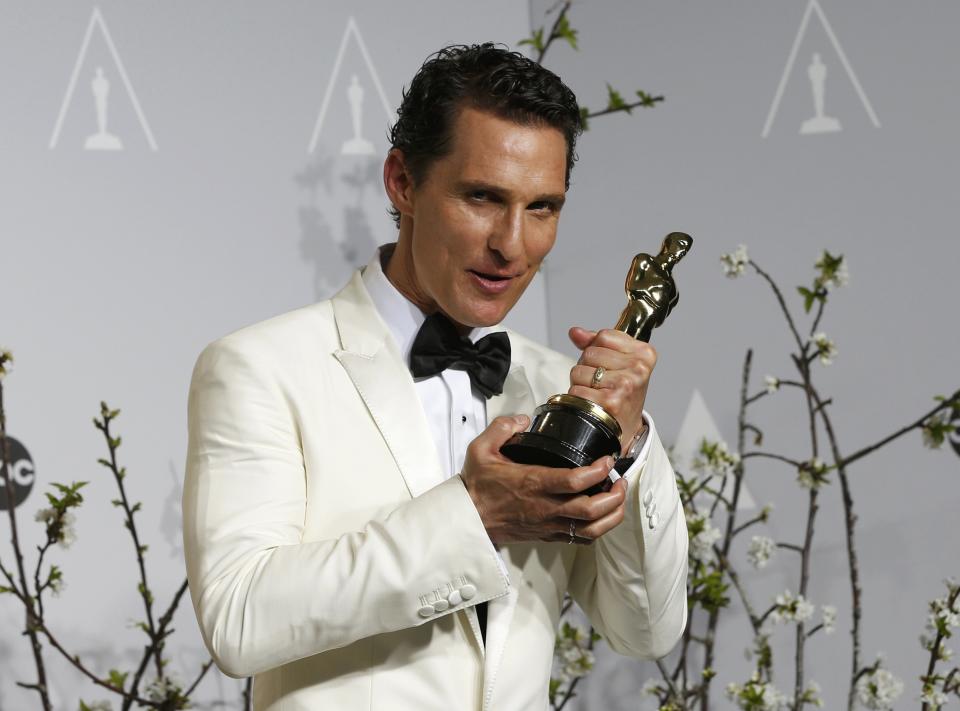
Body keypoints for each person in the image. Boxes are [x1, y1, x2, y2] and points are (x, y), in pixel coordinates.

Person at [182, 43, 688, 711]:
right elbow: (238, 618)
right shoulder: (261, 367)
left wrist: (627, 441)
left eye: (542, 208)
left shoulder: (555, 385)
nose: (512, 243)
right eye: (483, 197)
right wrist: (474, 515)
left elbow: (645, 628)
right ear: (403, 182)